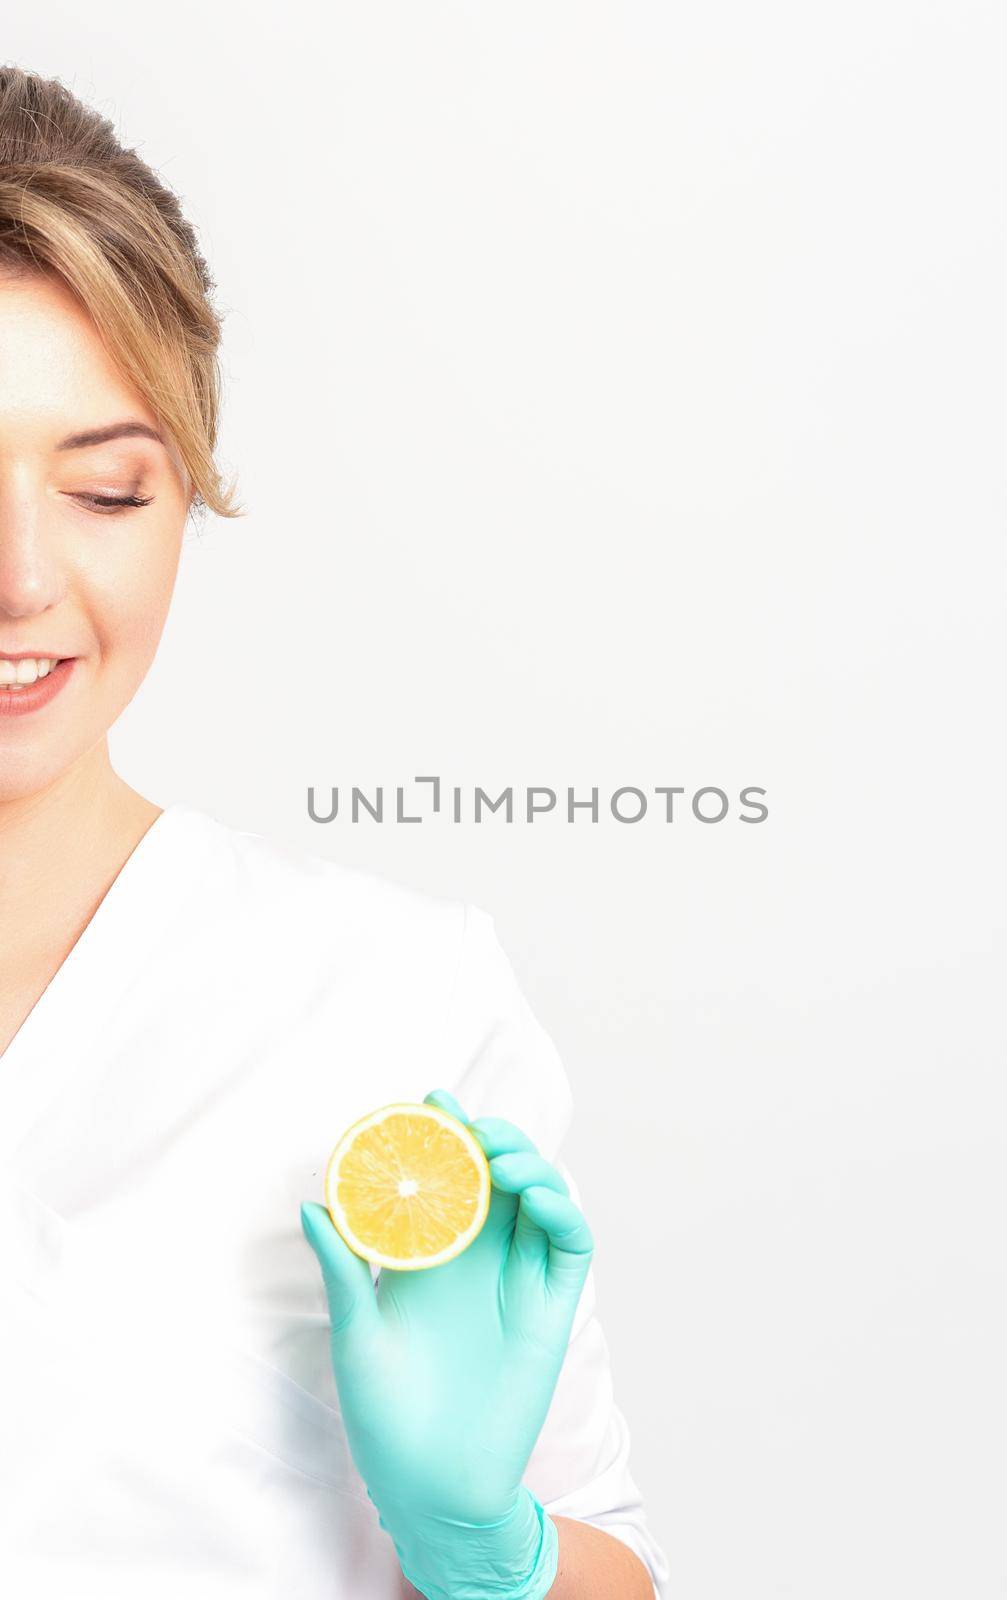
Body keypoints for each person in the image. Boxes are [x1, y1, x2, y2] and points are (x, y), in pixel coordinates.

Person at [0, 64, 669, 1600]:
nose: (22, 577)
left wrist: (480, 1549)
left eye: (107, 488)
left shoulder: (379, 1001)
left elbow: (615, 1559)